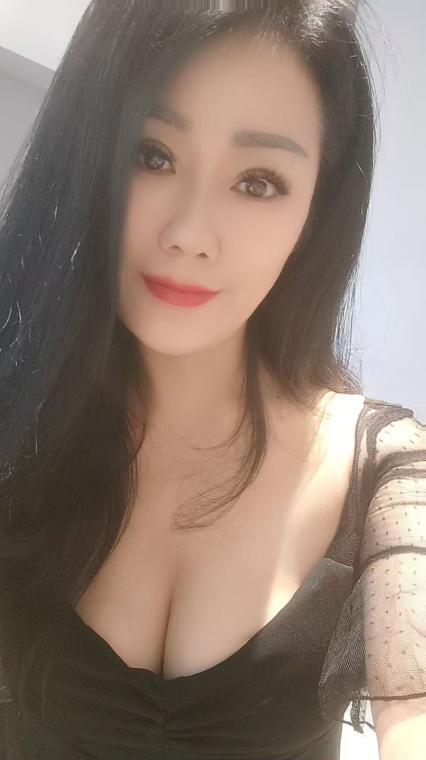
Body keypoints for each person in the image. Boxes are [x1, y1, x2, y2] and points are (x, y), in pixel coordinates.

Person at [0, 1, 425, 758]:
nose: (190, 234)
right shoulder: (17, 418)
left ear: (316, 213)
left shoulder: (383, 468)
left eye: (258, 182)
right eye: (151, 154)